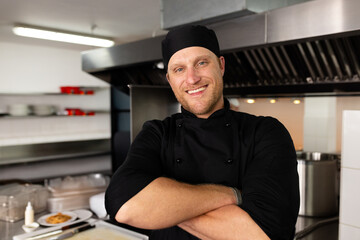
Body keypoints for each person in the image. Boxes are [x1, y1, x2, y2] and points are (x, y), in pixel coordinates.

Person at [105, 25, 300, 240]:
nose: (192, 78)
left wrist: (161, 207)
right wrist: (232, 195)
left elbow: (267, 235)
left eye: (201, 63)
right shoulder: (157, 134)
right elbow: (122, 205)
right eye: (179, 69)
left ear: (221, 65)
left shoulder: (266, 132)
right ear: (170, 80)